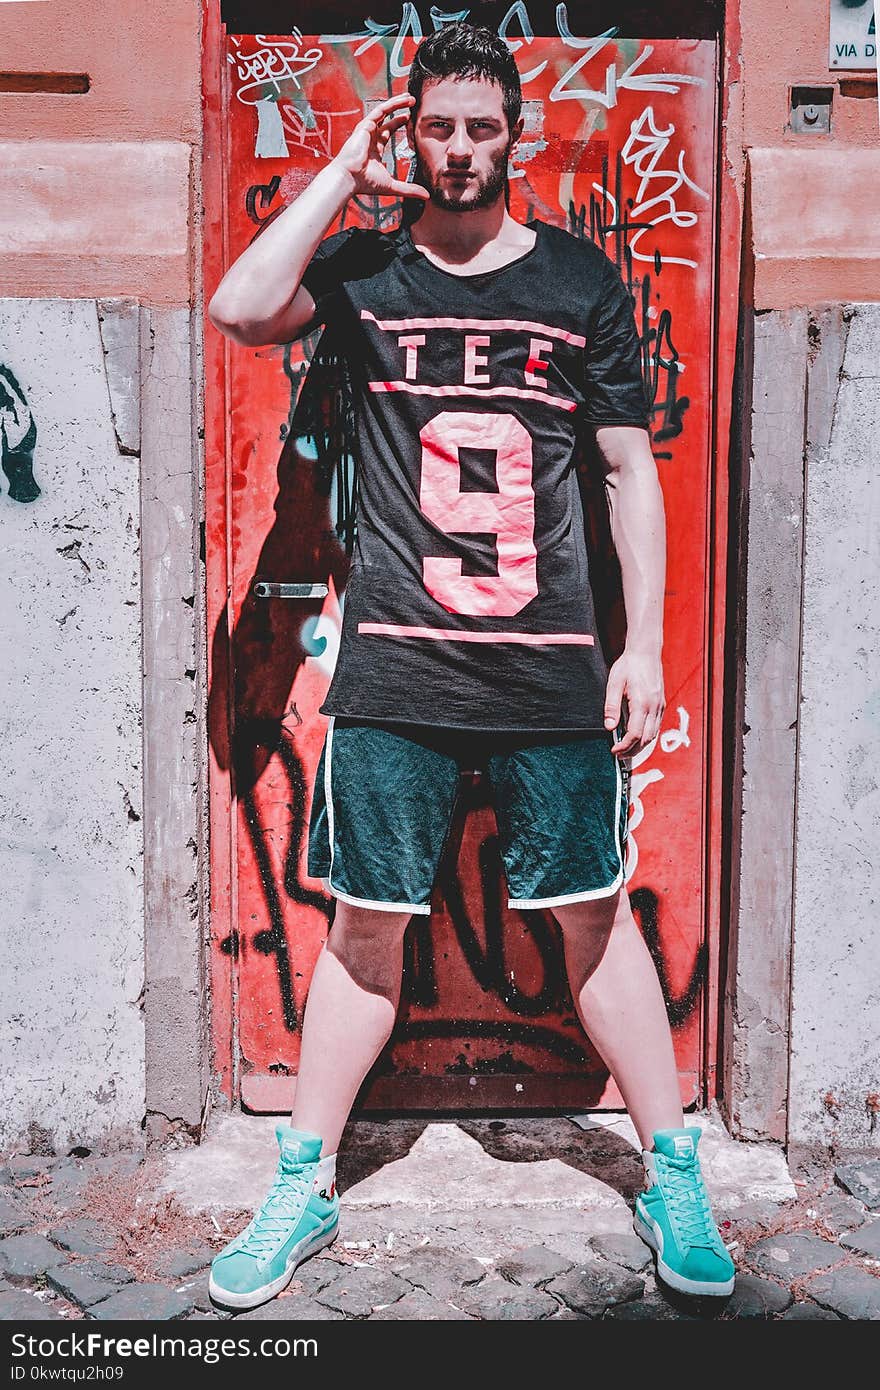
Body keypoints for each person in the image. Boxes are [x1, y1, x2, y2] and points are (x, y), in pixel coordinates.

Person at [206, 22, 735, 1312]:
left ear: (516, 133)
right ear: (413, 132)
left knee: (588, 918)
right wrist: (342, 166)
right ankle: (304, 1181)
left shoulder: (577, 285)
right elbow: (235, 308)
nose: (458, 150)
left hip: (549, 672)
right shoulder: (367, 272)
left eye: (479, 127)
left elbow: (627, 477)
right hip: (395, 672)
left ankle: (672, 1166)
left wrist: (644, 648)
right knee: (366, 929)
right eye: (435, 126)